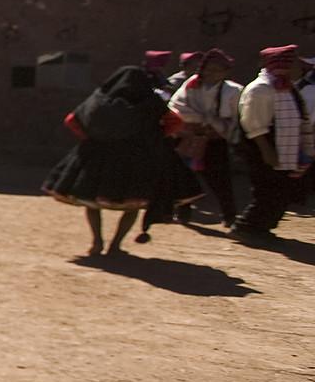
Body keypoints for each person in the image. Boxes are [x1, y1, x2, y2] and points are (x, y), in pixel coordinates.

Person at [43, 64, 199, 255]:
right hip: (137, 158)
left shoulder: (99, 100)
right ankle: (116, 245)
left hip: (98, 157)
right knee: (132, 204)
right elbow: (175, 122)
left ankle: (97, 242)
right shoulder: (151, 102)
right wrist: (154, 137)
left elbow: (72, 120)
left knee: (90, 200)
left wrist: (93, 136)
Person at [232, 46, 312, 244]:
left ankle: (263, 228)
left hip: (284, 149)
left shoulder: (286, 87)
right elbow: (254, 125)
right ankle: (246, 227)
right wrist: (267, 151)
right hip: (264, 147)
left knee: (281, 190)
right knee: (267, 191)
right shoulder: (261, 89)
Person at [167, 49, 242, 225]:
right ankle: (182, 212)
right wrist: (200, 120)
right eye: (208, 69)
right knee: (183, 175)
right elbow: (177, 106)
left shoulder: (233, 91)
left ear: (225, 72)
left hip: (215, 140)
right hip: (189, 136)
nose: (211, 73)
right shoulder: (192, 84)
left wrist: (214, 126)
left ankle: (229, 216)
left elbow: (236, 117)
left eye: (217, 70)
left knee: (219, 179)